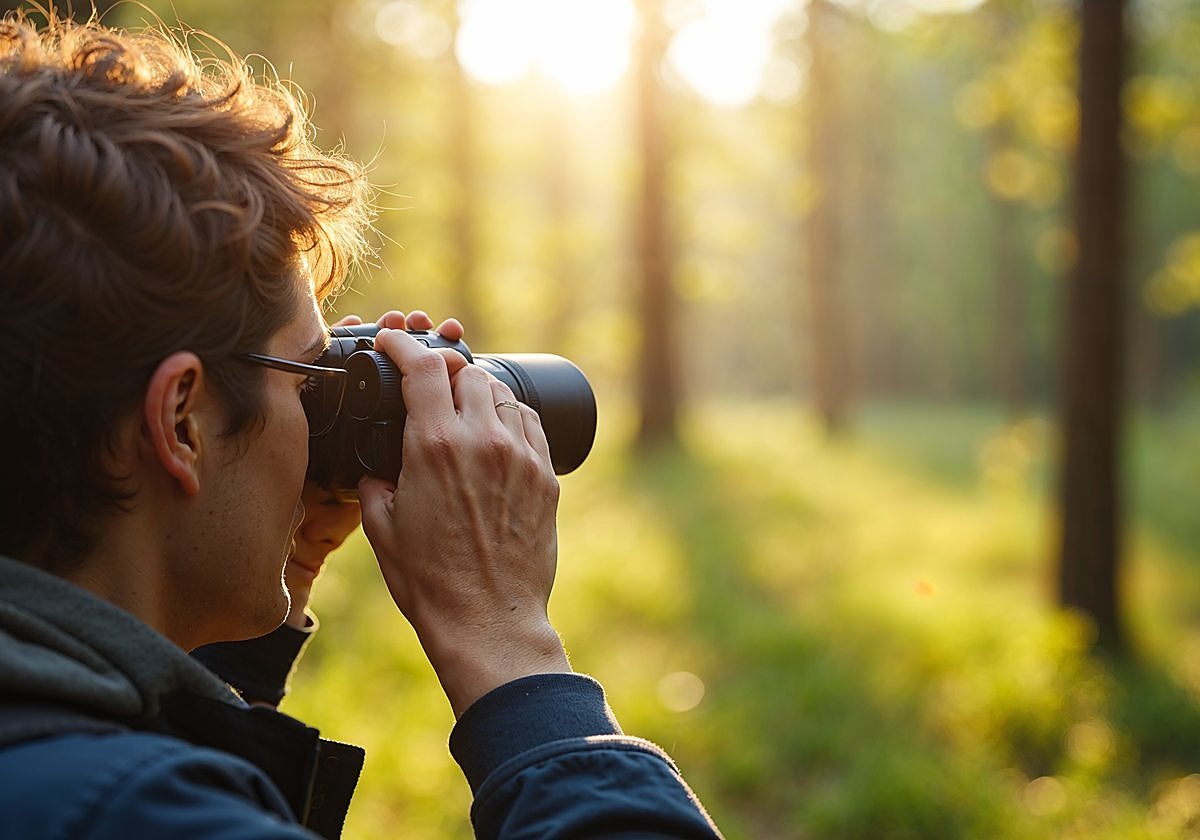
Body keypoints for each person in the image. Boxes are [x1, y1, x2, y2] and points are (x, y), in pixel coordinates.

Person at [0, 11, 721, 839]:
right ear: (182, 422)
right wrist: (511, 652)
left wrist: (259, 585)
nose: (322, 420)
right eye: (310, 375)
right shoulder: (136, 813)